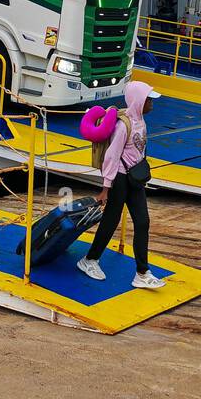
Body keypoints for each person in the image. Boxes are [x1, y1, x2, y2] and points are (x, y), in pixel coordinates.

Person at [77, 80, 165, 289]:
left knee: (142, 222)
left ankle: (142, 273)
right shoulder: (123, 125)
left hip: (135, 179)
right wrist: (106, 187)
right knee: (110, 220)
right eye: (148, 100)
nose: (152, 104)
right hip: (119, 178)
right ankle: (89, 260)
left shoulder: (142, 121)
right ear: (138, 101)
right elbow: (111, 156)